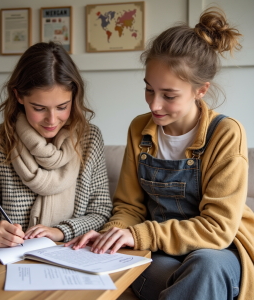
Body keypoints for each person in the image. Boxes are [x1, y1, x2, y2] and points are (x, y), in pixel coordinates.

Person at [65, 8, 254, 300]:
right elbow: (129, 206)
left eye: (169, 95)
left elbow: (218, 229)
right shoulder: (139, 129)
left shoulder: (226, 133)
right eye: (149, 89)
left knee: (204, 268)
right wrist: (112, 234)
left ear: (200, 90)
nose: (155, 105)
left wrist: (139, 235)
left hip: (218, 253)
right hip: (161, 253)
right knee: (164, 276)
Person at [0, 42, 112, 248]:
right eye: (39, 108)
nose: (52, 120)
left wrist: (59, 231)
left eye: (62, 107)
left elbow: (101, 211)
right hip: (11, 260)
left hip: (70, 257)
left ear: (74, 96)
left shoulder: (89, 138)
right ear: (19, 95)